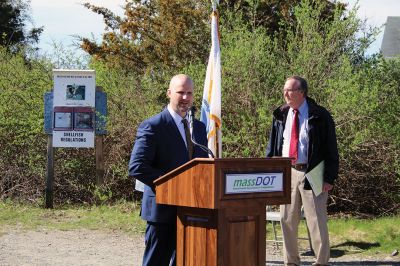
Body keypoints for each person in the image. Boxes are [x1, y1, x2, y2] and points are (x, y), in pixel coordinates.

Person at [129, 74, 209, 266]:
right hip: (162, 210)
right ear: (169, 93)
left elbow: (202, 164)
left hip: (192, 210)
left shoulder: (197, 127)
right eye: (181, 92)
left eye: (189, 93)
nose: (185, 98)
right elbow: (137, 166)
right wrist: (173, 185)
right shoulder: (153, 126)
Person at [266, 76, 339, 266]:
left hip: (313, 172)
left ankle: (321, 262)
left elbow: (331, 148)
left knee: (316, 221)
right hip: (287, 172)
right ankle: (291, 262)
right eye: (284, 89)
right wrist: (270, 169)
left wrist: (329, 177)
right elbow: (273, 145)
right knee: (286, 219)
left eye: (289, 90)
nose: (285, 94)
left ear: (301, 92)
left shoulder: (320, 115)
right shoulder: (280, 114)